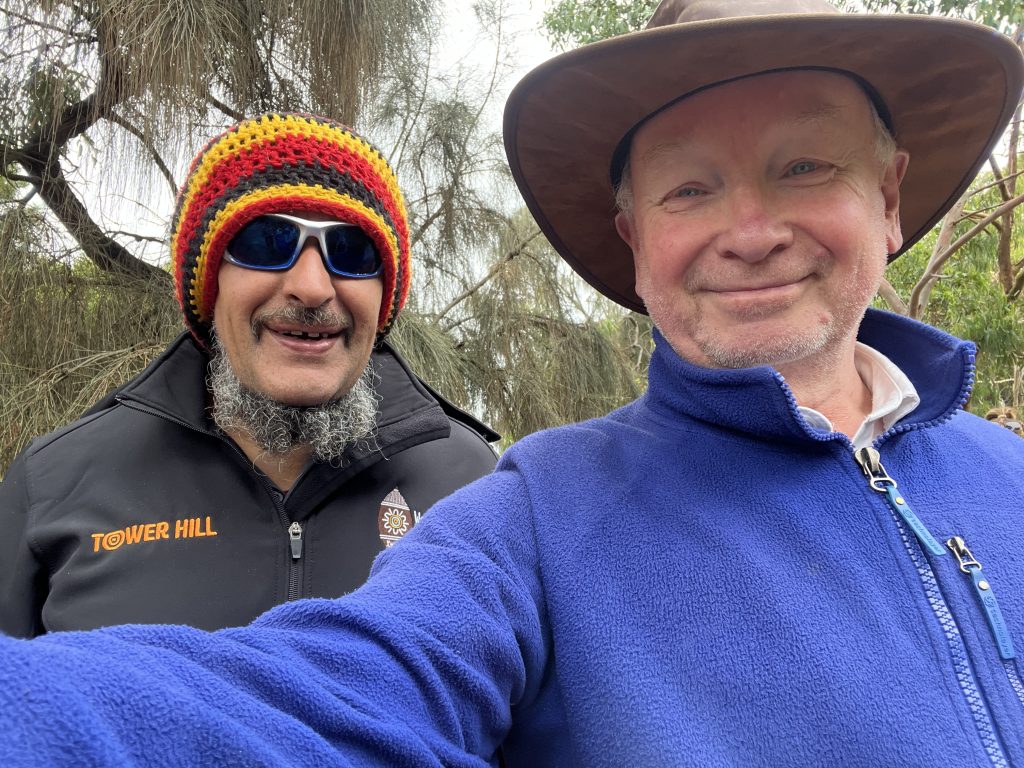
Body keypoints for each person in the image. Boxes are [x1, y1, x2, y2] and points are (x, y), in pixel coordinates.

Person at [1, 1, 1023, 765]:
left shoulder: (1008, 473)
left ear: (887, 199)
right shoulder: (535, 516)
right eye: (691, 186)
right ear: (635, 240)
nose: (749, 231)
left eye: (804, 167)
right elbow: (323, 695)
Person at [0, 113, 498, 636]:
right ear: (209, 284)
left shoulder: (472, 483)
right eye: (267, 241)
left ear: (384, 297)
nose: (312, 287)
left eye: (351, 251)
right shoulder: (54, 484)